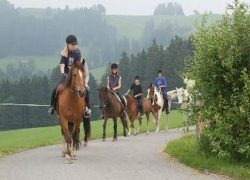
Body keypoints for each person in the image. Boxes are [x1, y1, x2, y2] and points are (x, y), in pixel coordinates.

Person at [48, 34, 91, 117]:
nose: (74, 46)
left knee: (86, 89)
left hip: (76, 76)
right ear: (68, 44)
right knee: (55, 89)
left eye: (75, 44)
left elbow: (78, 65)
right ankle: (52, 107)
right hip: (66, 77)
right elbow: (62, 65)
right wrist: (63, 73)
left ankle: (87, 108)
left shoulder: (77, 52)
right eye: (72, 44)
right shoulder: (64, 54)